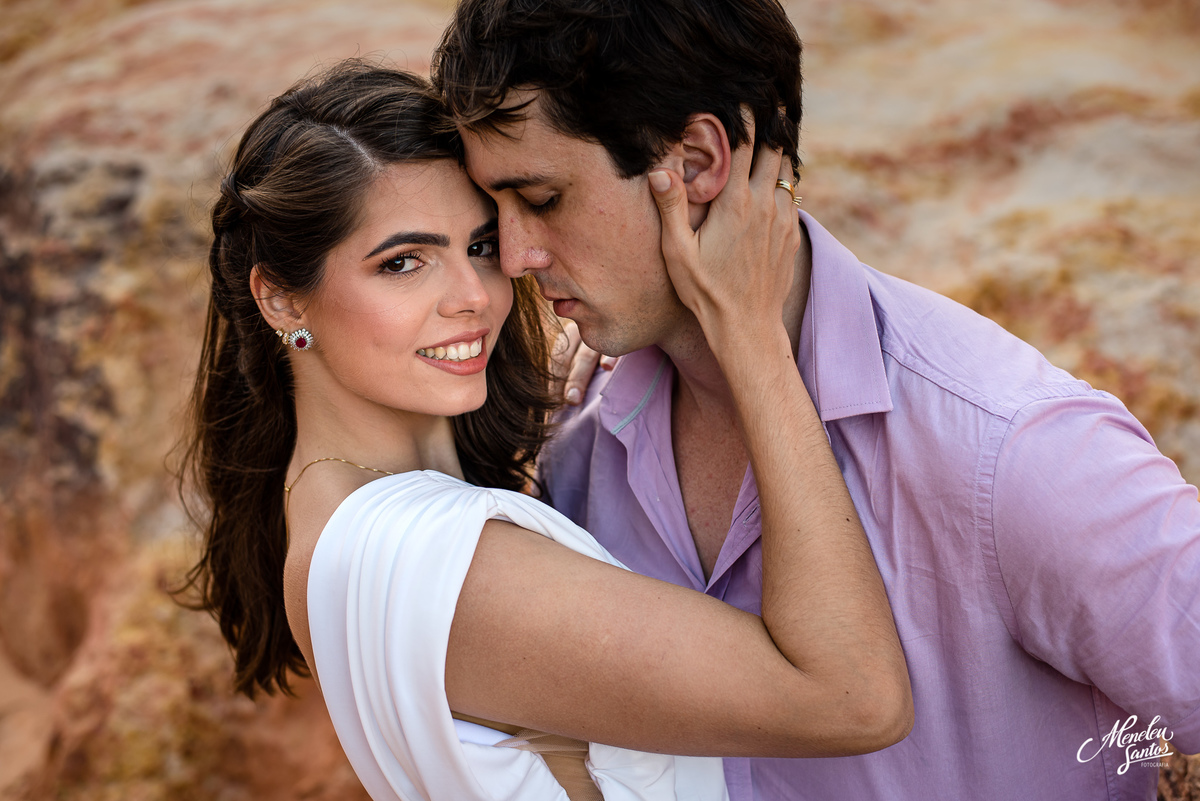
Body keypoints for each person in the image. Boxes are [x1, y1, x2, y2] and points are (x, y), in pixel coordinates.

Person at [431, 1, 1200, 799]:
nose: (516, 256)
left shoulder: (1012, 451)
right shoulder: (575, 428)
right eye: (498, 211)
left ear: (696, 162)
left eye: (543, 198)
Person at [176, 60, 912, 801]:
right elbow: (853, 697)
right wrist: (749, 332)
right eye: (402, 262)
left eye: (482, 246)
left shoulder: (341, 516)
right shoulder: (418, 557)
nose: (473, 297)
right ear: (279, 298)